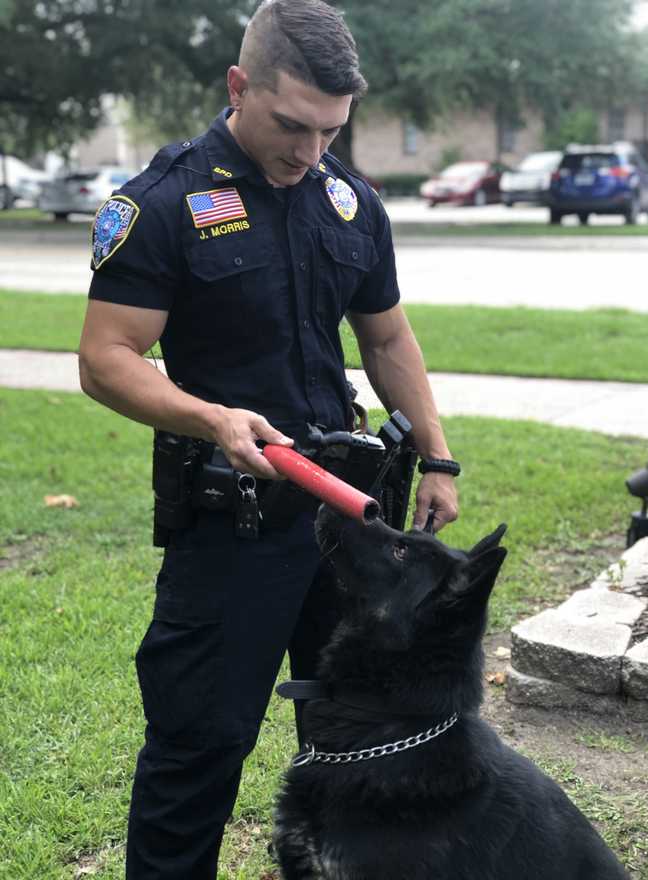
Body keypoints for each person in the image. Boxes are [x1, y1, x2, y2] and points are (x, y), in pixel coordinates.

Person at [78, 0, 459, 876]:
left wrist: (436, 454)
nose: (310, 151)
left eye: (331, 130)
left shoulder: (348, 201)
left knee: (360, 737)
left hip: (349, 523)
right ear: (238, 86)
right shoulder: (165, 203)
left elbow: (387, 338)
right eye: (293, 125)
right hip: (233, 524)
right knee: (198, 747)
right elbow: (107, 359)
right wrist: (209, 416)